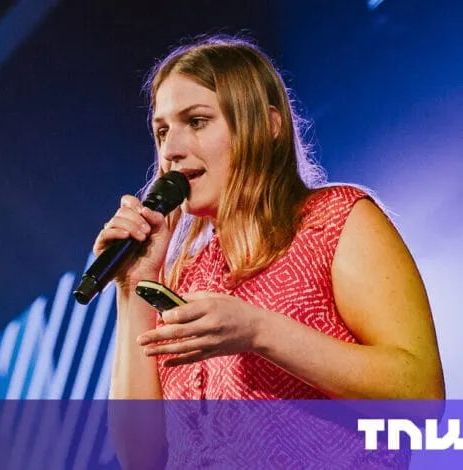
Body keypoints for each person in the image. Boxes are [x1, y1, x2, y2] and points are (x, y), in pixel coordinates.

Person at [94, 34, 444, 468]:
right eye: (162, 130)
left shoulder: (333, 221)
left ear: (268, 124)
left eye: (197, 121)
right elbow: (139, 457)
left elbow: (422, 401)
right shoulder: (184, 279)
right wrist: (133, 286)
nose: (170, 149)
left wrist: (260, 331)